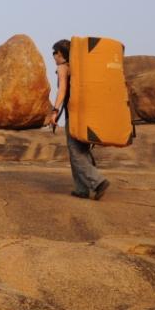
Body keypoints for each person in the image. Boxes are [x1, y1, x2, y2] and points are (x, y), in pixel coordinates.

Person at [51, 39, 110, 200]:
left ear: (60, 53)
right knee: (82, 151)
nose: (53, 57)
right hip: (87, 115)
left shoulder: (63, 67)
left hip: (75, 116)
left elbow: (62, 90)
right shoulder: (79, 67)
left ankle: (98, 181)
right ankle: (81, 189)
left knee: (75, 152)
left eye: (54, 53)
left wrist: (54, 111)